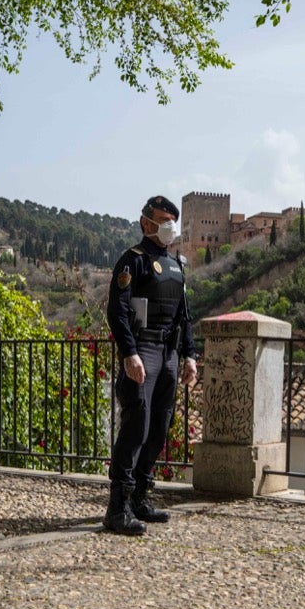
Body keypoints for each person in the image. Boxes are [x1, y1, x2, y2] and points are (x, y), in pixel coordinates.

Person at [104, 196, 198, 535]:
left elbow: (184, 315)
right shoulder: (133, 261)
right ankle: (118, 508)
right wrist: (129, 354)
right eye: (163, 219)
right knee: (136, 426)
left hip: (169, 353)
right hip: (143, 350)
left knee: (159, 426)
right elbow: (117, 311)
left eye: (173, 220)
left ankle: (141, 497)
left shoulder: (176, 265)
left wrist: (190, 355)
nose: (169, 226)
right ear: (146, 223)